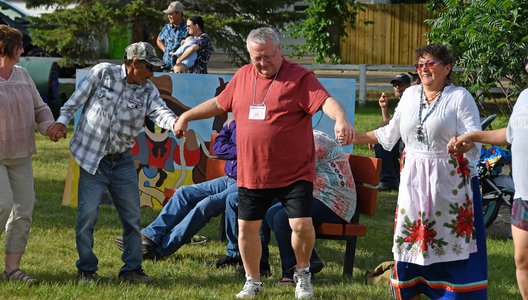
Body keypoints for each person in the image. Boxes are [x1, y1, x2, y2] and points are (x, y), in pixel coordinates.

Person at [173, 27, 354, 299]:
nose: (262, 63)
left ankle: (302, 274)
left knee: (301, 225)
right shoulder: (244, 76)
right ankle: (252, 281)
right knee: (247, 229)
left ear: (279, 50)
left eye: (268, 56)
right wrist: (187, 115)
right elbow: (219, 103)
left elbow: (325, 101)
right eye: (257, 57)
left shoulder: (299, 78)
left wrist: (340, 118)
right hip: (252, 173)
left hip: (294, 173)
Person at [350, 44, 488, 299]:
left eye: (431, 63)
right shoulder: (410, 95)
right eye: (420, 64)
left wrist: (465, 143)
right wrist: (355, 136)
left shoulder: (459, 97)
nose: (424, 69)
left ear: (447, 68)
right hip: (414, 181)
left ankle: (453, 293)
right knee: (411, 239)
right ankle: (411, 287)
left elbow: (475, 138)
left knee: (451, 240)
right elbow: (390, 132)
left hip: (449, 181)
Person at [47, 42, 179, 283]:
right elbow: (75, 100)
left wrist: (175, 124)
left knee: (132, 217)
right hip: (92, 159)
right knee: (87, 216)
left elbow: (161, 111)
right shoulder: (103, 72)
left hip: (122, 160)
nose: (152, 74)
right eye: (149, 68)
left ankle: (132, 270)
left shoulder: (148, 90)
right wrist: (60, 121)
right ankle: (86, 270)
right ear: (134, 63)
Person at [448, 58, 528, 300]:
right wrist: (474, 135)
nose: (526, 66)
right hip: (523, 196)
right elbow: (510, 134)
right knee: (522, 260)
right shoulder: (525, 96)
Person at [115, 119, 238, 259]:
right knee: (184, 193)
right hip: (229, 178)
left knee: (206, 204)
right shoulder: (235, 121)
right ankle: (149, 237)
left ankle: (158, 251)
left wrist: (238, 149)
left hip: (248, 183)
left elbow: (254, 150)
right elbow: (218, 147)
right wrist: (240, 149)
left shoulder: (260, 124)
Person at [0, 25, 60, 283]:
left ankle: (12, 269)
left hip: (20, 154)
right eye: (19, 46)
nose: (23, 51)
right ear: (5, 48)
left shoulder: (23, 75)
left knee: (24, 208)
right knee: (2, 204)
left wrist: (50, 127)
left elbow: (41, 109)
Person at [266, 129, 357, 284]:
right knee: (270, 213)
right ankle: (311, 260)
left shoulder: (314, 141)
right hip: (316, 195)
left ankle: (290, 272)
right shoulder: (300, 138)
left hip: (335, 204)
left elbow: (295, 176)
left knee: (282, 218)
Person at [373, 73, 411, 191]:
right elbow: (392, 124)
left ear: (409, 86)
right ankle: (393, 179)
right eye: (395, 84)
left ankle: (389, 180)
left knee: (382, 142)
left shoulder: (411, 101)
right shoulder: (402, 102)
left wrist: (376, 133)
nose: (397, 87)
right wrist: (384, 108)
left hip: (411, 140)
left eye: (400, 84)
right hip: (402, 138)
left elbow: (392, 123)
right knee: (383, 142)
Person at [157, 1, 188, 71]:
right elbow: (159, 40)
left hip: (180, 69)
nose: (168, 16)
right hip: (166, 67)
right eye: (168, 14)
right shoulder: (166, 27)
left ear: (179, 14)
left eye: (171, 14)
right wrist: (165, 50)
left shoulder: (187, 28)